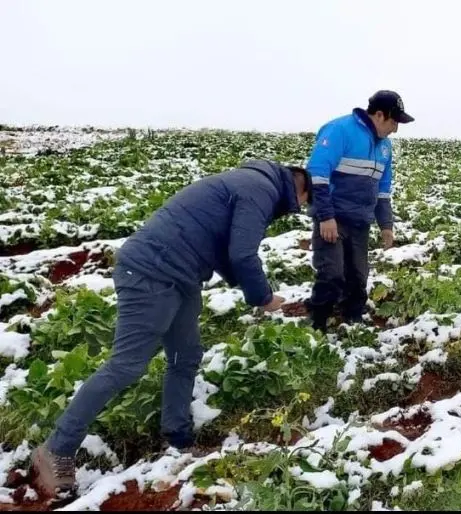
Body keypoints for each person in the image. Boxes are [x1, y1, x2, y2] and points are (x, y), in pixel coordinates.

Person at [32, 159, 312, 497]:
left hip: (179, 275)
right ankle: (57, 448)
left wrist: (251, 289)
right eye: (303, 201)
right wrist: (263, 297)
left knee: (186, 354)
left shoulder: (248, 182)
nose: (298, 208)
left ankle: (178, 440)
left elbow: (224, 251)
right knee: (126, 366)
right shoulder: (261, 190)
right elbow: (241, 253)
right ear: (298, 185)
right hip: (152, 271)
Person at [304, 90, 415, 331]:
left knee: (358, 276)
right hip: (333, 217)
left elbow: (383, 190)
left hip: (360, 220)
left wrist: (386, 226)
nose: (395, 129)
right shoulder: (339, 130)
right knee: (332, 272)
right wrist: (326, 216)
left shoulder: (385, 147)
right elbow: (317, 174)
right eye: (394, 121)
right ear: (378, 115)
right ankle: (318, 320)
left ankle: (352, 317)